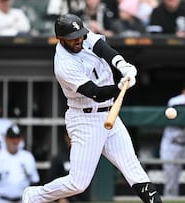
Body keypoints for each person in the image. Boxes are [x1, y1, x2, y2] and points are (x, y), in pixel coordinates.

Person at [21, 14, 163, 203]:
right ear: (61, 39)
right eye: (73, 38)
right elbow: (94, 92)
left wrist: (123, 65)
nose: (79, 40)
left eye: (80, 35)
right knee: (77, 183)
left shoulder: (85, 38)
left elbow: (104, 49)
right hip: (85, 120)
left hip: (108, 114)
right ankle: (34, 196)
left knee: (133, 168)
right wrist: (120, 87)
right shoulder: (64, 64)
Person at [0, 125, 39, 203]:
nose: (15, 141)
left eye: (17, 138)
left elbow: (35, 181)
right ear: (5, 139)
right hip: (0, 199)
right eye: (12, 138)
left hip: (22, 200)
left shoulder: (28, 157)